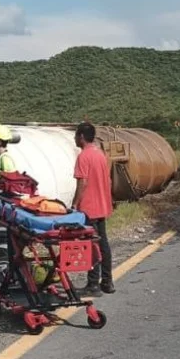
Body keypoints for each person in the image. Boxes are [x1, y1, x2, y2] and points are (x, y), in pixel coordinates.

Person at [72, 122, 114, 294]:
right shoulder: (100, 154)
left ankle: (93, 284)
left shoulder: (83, 156)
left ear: (81, 137)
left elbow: (82, 183)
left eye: (76, 135)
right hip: (102, 206)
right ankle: (107, 282)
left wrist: (74, 204)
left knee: (91, 246)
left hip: (89, 208)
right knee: (103, 244)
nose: (75, 138)